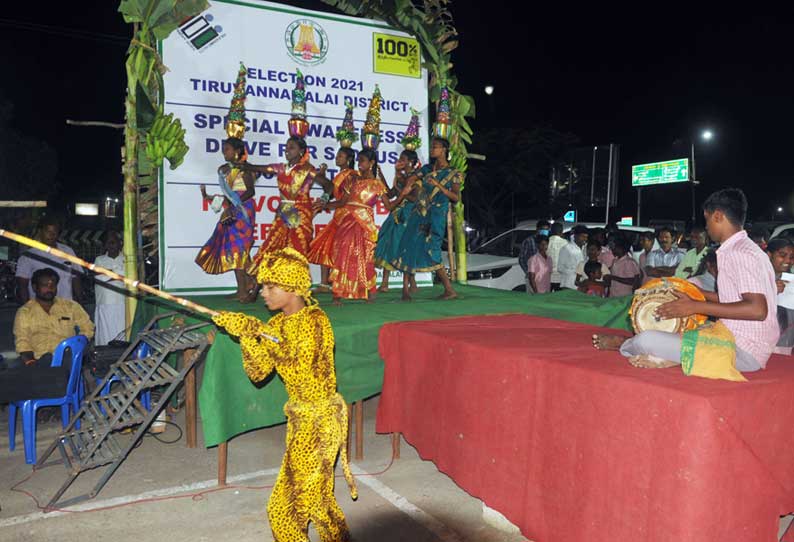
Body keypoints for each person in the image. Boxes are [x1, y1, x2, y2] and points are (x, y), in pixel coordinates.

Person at [211, 248, 356, 541]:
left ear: (292, 287)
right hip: (301, 421)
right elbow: (258, 372)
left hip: (321, 422)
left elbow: (300, 365)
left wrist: (256, 333)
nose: (262, 292)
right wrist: (247, 337)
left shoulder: (316, 320)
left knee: (283, 510)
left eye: (270, 286)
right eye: (262, 286)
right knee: (319, 503)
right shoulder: (276, 324)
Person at [594, 188, 779, 372]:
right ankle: (675, 357)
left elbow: (757, 309)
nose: (706, 227)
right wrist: (695, 294)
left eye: (706, 220)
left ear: (717, 216)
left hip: (742, 351)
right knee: (682, 329)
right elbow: (734, 300)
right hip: (735, 338)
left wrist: (695, 306)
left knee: (646, 339)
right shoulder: (747, 249)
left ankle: (626, 345)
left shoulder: (740, 253)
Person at [392, 137, 462, 301]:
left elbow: (455, 197)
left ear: (444, 149)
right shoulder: (427, 168)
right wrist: (401, 173)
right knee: (408, 243)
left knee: (432, 248)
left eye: (435, 147)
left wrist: (438, 186)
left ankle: (449, 289)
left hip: (437, 214)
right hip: (420, 212)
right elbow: (410, 179)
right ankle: (405, 291)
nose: (432, 150)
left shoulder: (454, 173)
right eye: (432, 147)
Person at [320, 148, 388, 305]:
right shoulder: (353, 181)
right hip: (348, 222)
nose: (359, 164)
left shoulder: (378, 185)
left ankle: (370, 292)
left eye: (363, 160)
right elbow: (343, 202)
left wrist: (403, 194)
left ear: (371, 163)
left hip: (365, 225)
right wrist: (325, 204)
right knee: (342, 254)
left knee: (366, 257)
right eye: (358, 160)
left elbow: (389, 205)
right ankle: (337, 294)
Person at [195, 137, 257, 302]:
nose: (224, 152)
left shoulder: (243, 169)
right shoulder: (227, 170)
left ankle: (249, 286)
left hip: (243, 212)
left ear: (237, 151)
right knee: (236, 252)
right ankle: (245, 287)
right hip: (235, 211)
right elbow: (229, 197)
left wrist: (235, 205)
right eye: (224, 149)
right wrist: (209, 197)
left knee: (239, 252)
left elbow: (250, 191)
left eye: (227, 149)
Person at [13, 267, 94, 368]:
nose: (50, 288)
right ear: (34, 287)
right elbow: (22, 342)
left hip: (67, 357)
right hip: (38, 360)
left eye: (53, 285)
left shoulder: (70, 306)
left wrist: (77, 347)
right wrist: (31, 362)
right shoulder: (25, 312)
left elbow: (88, 328)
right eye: (45, 285)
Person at [307, 147, 358, 293]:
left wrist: (325, 205)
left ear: (348, 159)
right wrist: (322, 200)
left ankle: (345, 284)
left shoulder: (351, 176)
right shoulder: (339, 175)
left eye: (340, 156)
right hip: (338, 217)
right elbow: (330, 193)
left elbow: (344, 201)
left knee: (342, 251)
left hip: (348, 217)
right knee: (325, 245)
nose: (337, 158)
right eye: (337, 155)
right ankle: (324, 284)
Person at [374, 149, 420, 293]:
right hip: (395, 214)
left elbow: (415, 199)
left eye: (403, 159)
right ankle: (385, 283)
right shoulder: (400, 178)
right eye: (399, 158)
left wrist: (404, 193)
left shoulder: (416, 179)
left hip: (408, 215)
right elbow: (390, 193)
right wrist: (380, 175)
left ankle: (412, 283)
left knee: (403, 247)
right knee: (388, 243)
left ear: (410, 162)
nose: (399, 161)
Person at [15, 215, 83, 304]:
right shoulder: (29, 256)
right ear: (40, 232)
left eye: (55, 232)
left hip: (66, 306)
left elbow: (76, 277)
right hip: (41, 308)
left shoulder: (68, 251)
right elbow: (23, 285)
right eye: (48, 231)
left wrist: (79, 302)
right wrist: (27, 308)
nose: (52, 235)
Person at [93, 231, 126, 345]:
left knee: (124, 336)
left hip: (124, 304)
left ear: (120, 243)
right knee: (106, 338)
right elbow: (99, 278)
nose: (110, 245)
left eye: (113, 242)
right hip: (105, 305)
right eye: (107, 243)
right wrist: (119, 274)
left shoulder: (127, 259)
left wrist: (109, 273)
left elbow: (129, 275)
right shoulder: (99, 260)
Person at [766, 238, 794, 354]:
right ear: (769, 255)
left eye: (792, 257)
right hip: (764, 340)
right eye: (782, 255)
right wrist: (770, 290)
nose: (788, 260)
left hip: (786, 342)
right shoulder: (758, 277)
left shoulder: (790, 280)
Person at [557, 225, 588, 290]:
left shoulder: (586, 249)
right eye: (582, 236)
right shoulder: (566, 248)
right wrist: (576, 272)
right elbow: (560, 268)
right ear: (575, 236)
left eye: (586, 237)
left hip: (582, 285)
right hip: (569, 284)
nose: (585, 239)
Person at [547, 222, 568, 290]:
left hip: (547, 276)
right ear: (561, 231)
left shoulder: (546, 242)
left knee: (547, 297)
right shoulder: (566, 243)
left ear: (551, 231)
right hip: (560, 277)